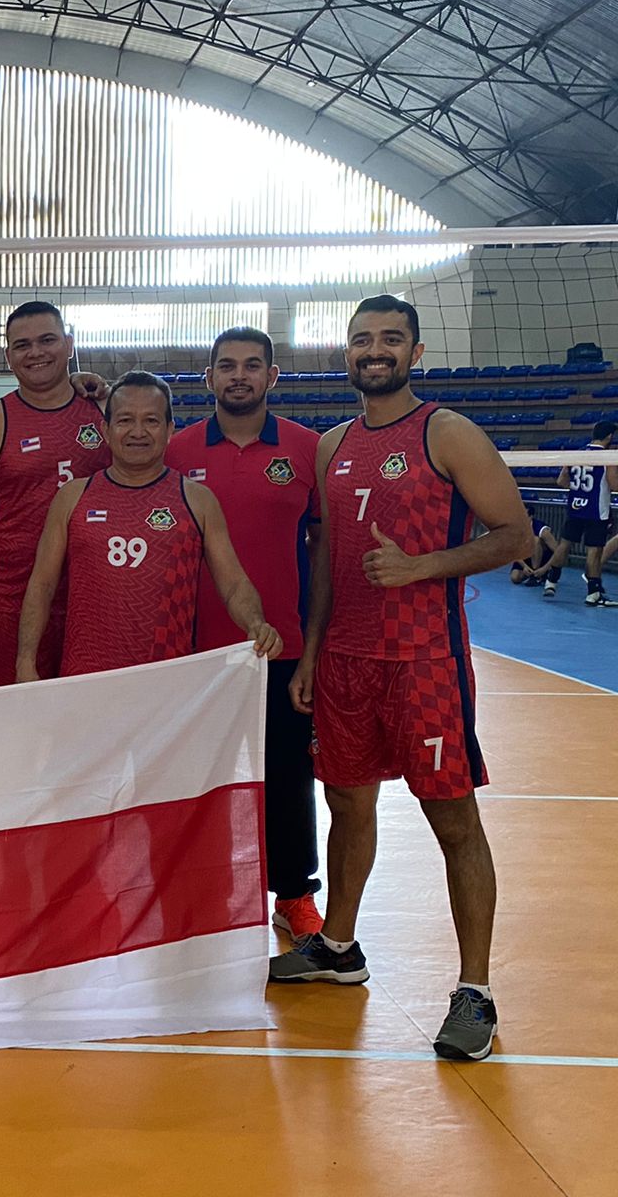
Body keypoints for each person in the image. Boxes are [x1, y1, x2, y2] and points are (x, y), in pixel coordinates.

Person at [274, 295, 533, 1063]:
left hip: (424, 662)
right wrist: (312, 656)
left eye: (390, 339)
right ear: (347, 353)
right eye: (362, 339)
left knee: (453, 823)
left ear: (416, 352)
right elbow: (327, 561)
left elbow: (515, 535)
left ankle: (475, 990)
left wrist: (423, 566)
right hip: (346, 663)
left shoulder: (446, 433)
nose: (375, 350)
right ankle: (339, 947)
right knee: (347, 807)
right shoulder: (332, 445)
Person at [164, 328, 324, 940]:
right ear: (208, 377)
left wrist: (313, 647)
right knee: (198, 778)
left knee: (287, 776)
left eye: (252, 365)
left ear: (271, 376)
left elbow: (323, 548)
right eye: (226, 365)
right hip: (192, 651)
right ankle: (202, 890)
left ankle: (294, 894)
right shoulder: (175, 450)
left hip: (279, 646)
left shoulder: (307, 449)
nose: (239, 376)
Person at [18, 371, 281, 683]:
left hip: (167, 685)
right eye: (125, 420)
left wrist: (256, 623)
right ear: (106, 429)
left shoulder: (197, 500)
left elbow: (234, 584)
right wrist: (25, 660)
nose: (138, 431)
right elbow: (42, 586)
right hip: (85, 679)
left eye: (151, 421)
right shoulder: (73, 497)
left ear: (170, 429)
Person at [0, 301, 110, 686]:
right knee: (16, 716)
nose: (35, 352)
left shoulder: (108, 410)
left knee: (93, 714)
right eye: (22, 345)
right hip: (16, 603)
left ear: (69, 344)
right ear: (8, 357)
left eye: (47, 340)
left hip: (97, 598)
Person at [530, 420, 616, 605]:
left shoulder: (576, 453)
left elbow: (561, 481)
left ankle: (551, 581)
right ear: (609, 436)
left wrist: (579, 490)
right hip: (596, 510)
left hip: (576, 507)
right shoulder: (607, 457)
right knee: (594, 550)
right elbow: (614, 484)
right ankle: (593, 592)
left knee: (564, 544)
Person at [507, 510, 558, 585]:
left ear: (531, 517)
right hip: (526, 557)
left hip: (543, 558)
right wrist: (524, 566)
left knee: (535, 540)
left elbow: (558, 552)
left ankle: (537, 575)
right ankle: (532, 573)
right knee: (515, 578)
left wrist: (545, 568)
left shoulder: (542, 530)